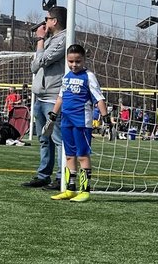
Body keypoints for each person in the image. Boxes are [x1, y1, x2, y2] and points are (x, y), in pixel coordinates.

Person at [47, 44, 110, 202]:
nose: (74, 64)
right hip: (66, 121)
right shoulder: (66, 76)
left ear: (84, 60)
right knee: (69, 156)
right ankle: (70, 188)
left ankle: (85, 190)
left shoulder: (88, 76)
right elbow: (61, 97)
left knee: (82, 155)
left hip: (82, 122)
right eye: (71, 61)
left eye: (78, 61)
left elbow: (99, 98)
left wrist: (106, 118)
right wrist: (54, 115)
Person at [22, 5, 67, 190]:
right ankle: (43, 175)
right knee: (43, 139)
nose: (44, 22)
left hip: (53, 99)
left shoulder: (63, 40)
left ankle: (60, 177)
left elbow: (39, 62)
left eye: (47, 19)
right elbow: (35, 66)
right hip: (41, 98)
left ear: (54, 21)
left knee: (57, 139)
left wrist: (40, 39)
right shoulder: (51, 40)